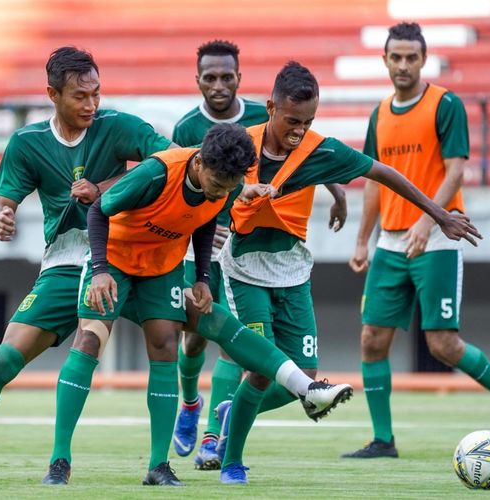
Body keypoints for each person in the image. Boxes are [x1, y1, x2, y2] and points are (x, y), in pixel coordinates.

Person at [0, 46, 174, 483]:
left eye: (96, 94)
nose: (91, 104)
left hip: (133, 253)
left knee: (175, 342)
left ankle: (168, 459)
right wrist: (0, 217)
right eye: (80, 96)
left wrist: (105, 186)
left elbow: (170, 161)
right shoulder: (28, 143)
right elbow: (3, 202)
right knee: (2, 361)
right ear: (52, 94)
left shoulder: (119, 126)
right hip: (67, 260)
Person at [213, 61, 481, 485]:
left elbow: (384, 173)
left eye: (309, 121)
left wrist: (440, 214)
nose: (300, 130)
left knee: (305, 369)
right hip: (244, 269)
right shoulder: (239, 144)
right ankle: (231, 461)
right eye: (292, 121)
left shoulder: (319, 148)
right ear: (269, 108)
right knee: (262, 369)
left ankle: (234, 410)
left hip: (292, 270)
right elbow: (198, 174)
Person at [42, 123, 354, 486]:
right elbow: (98, 210)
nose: (222, 192)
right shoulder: (157, 172)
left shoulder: (227, 182)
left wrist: (203, 277)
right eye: (218, 184)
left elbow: (206, 220)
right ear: (200, 163)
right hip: (113, 261)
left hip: (161, 269)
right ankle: (59, 461)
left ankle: (158, 466)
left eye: (229, 187)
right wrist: (98, 270)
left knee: (165, 346)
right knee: (90, 341)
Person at [342, 22, 490, 459]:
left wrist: (429, 222)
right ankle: (382, 440)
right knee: (372, 338)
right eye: (396, 57)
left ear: (423, 59)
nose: (404, 64)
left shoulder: (445, 104)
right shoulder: (379, 114)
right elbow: (373, 183)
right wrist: (361, 240)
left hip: (437, 240)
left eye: (412, 57)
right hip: (391, 243)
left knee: (442, 344)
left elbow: (456, 171)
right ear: (385, 60)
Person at [171, 39, 347, 471]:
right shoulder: (184, 129)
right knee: (195, 337)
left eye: (226, 76)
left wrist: (336, 190)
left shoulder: (262, 117)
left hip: (240, 243)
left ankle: (214, 437)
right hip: (200, 242)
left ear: (239, 78)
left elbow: (304, 154)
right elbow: (177, 183)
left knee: (240, 351)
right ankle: (191, 403)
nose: (218, 84)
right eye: (209, 77)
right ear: (198, 80)